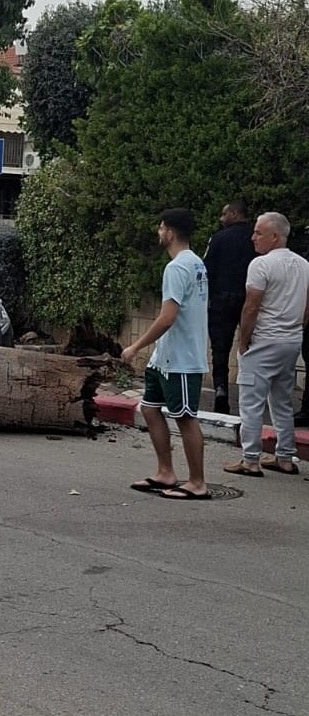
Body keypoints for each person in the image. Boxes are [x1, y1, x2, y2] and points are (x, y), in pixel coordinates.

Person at [122, 209, 210, 500]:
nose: (159, 233)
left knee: (185, 417)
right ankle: (165, 472)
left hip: (182, 358)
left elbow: (167, 317)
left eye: (161, 228)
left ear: (170, 232)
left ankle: (197, 482)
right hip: (166, 357)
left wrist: (135, 346)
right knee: (149, 408)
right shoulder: (196, 262)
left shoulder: (177, 268)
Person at [223, 211, 309, 477]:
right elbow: (307, 307)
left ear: (275, 236)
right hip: (291, 340)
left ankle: (250, 459)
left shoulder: (260, 265)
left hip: (264, 341)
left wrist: (244, 341)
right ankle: (284, 456)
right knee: (282, 400)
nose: (253, 237)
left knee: (251, 400)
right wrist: (296, 329)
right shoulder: (304, 265)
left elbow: (251, 307)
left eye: (259, 232)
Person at [202, 200, 255, 413]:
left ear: (234, 214)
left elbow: (207, 270)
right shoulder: (256, 237)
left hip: (222, 301)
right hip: (249, 301)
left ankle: (221, 390)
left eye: (224, 214)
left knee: (220, 349)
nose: (221, 219)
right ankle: (249, 394)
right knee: (249, 347)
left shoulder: (218, 239)